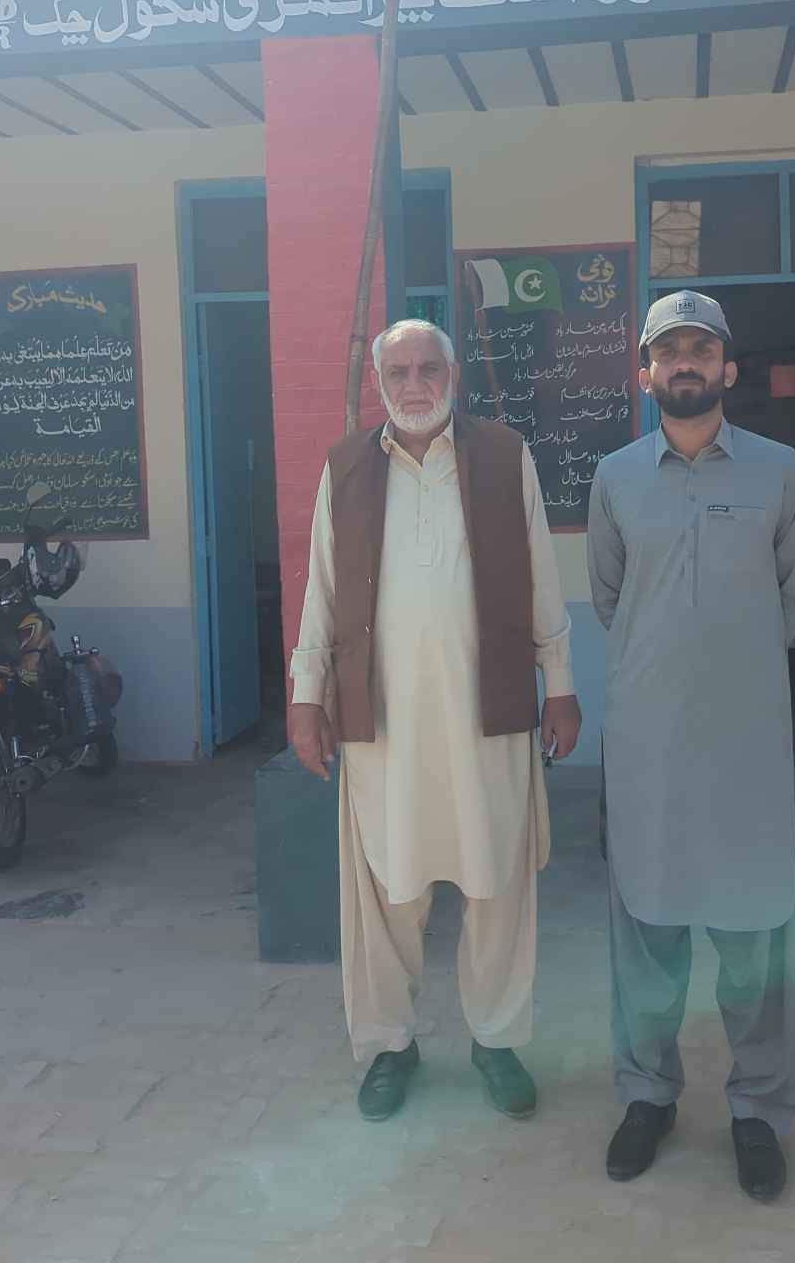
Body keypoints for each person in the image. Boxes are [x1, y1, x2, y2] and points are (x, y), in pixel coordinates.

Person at [288, 317, 583, 1122]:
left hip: (489, 710)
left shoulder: (505, 456)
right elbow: (321, 587)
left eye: (429, 369)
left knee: (499, 881)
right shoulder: (346, 466)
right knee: (384, 888)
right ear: (378, 383)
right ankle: (389, 1045)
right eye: (399, 373)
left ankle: (497, 1039)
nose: (414, 385)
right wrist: (306, 695)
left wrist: (560, 682)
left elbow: (541, 573)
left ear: (453, 376)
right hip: (382, 721)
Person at [585, 289, 795, 1203]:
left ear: (727, 367)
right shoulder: (615, 477)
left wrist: (731, 664)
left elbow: (792, 596)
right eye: (668, 350)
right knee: (646, 932)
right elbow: (610, 599)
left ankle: (758, 1110)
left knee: (756, 937)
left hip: (748, 746)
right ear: (645, 374)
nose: (685, 362)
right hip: (649, 748)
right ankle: (647, 1096)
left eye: (701, 348)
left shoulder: (778, 471)